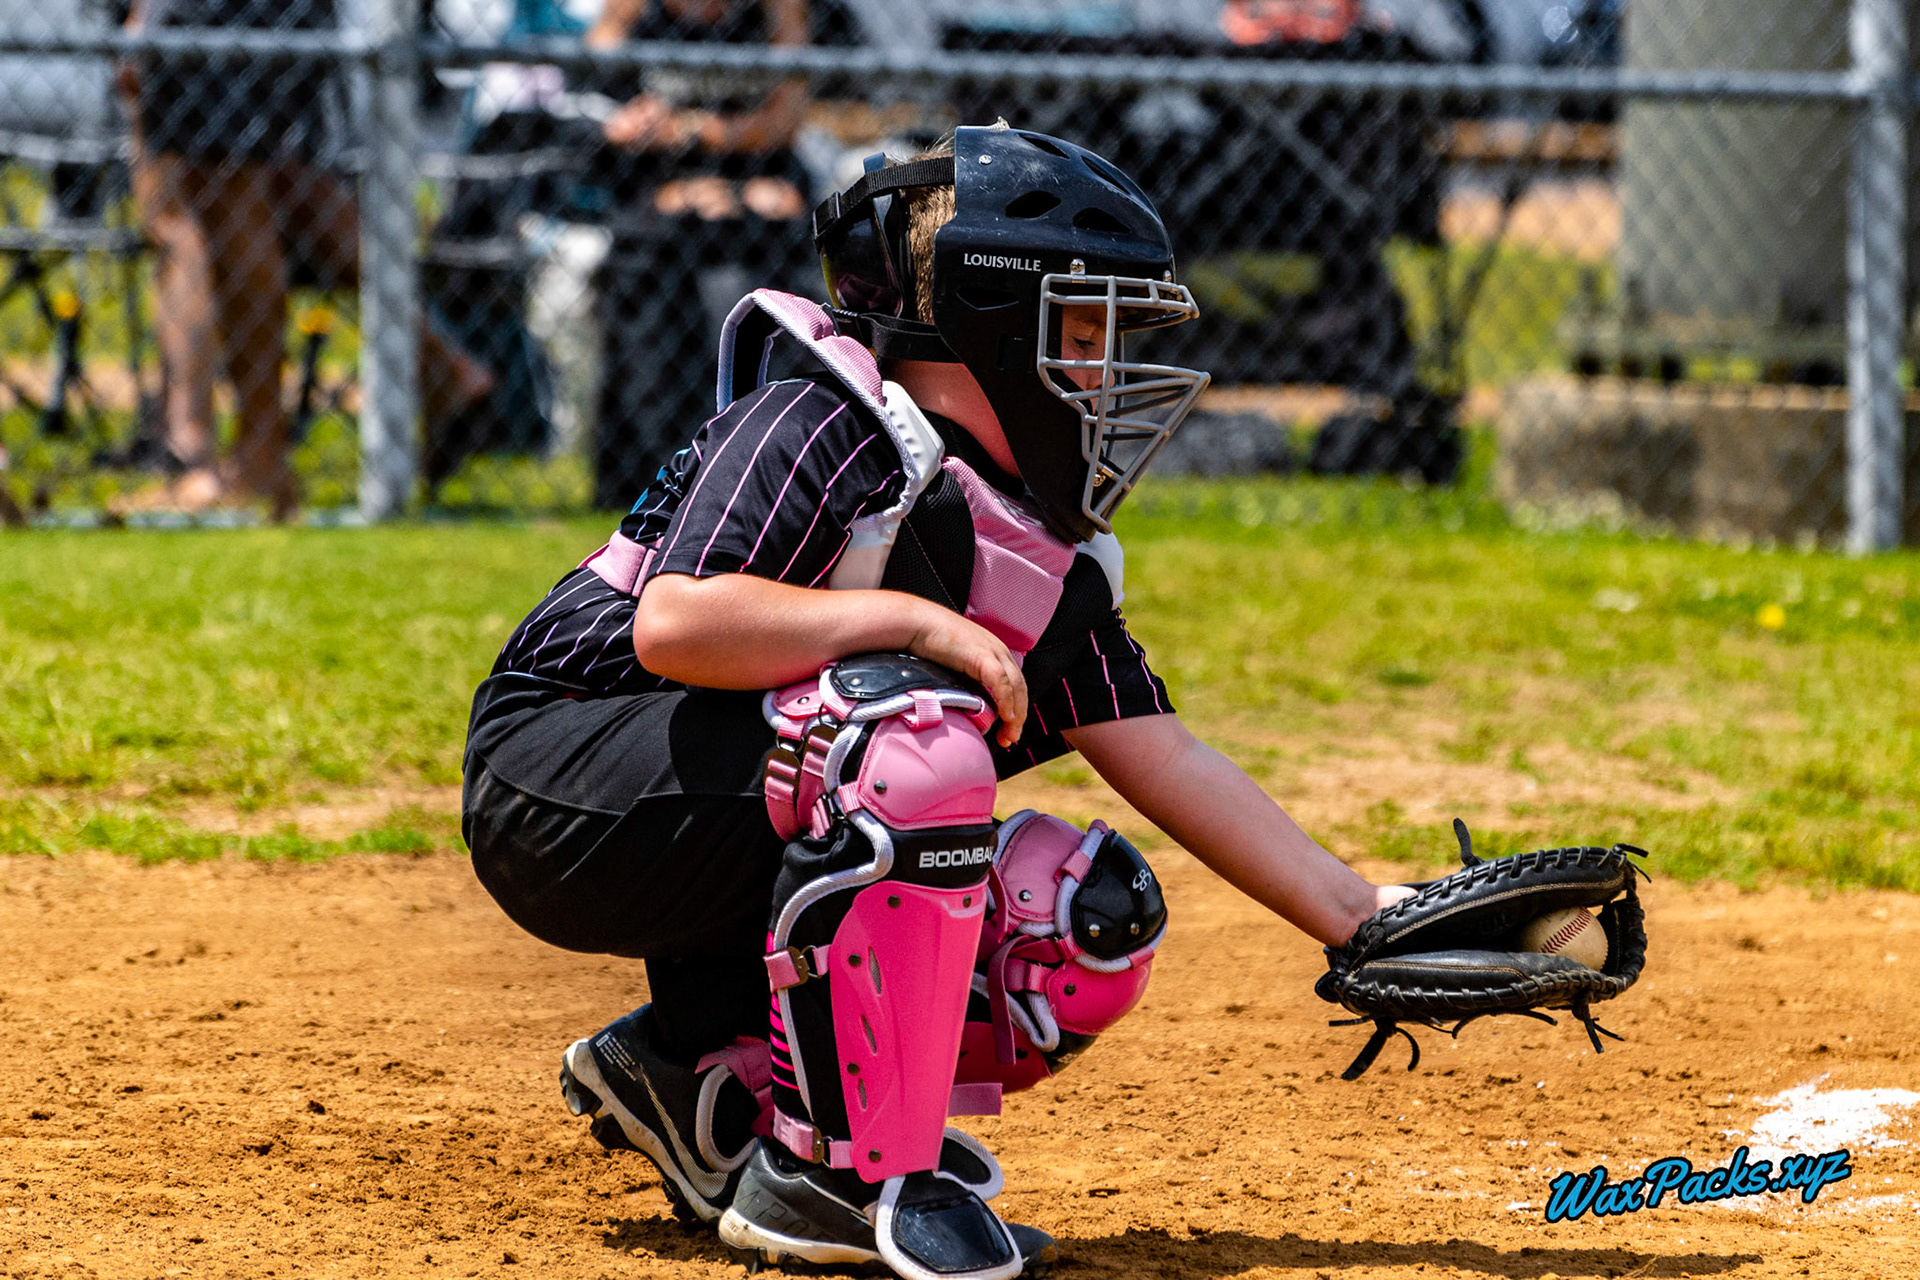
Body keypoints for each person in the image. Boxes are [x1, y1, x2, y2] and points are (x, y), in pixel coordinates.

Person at [462, 123, 1414, 1280]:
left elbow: (1162, 752)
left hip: (707, 796)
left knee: (1071, 919)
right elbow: (677, 625)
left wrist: (1368, 917)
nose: (1111, 366)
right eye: (1086, 327)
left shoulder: (1026, 533)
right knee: (906, 741)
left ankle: (704, 1068)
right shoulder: (823, 422)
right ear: (991, 323)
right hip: (556, 782)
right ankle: (832, 1178)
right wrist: (913, 621)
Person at [121, 0, 494, 517]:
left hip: (224, 16)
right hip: (275, 18)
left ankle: (256, 458)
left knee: (225, 192)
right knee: (280, 181)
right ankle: (438, 366)